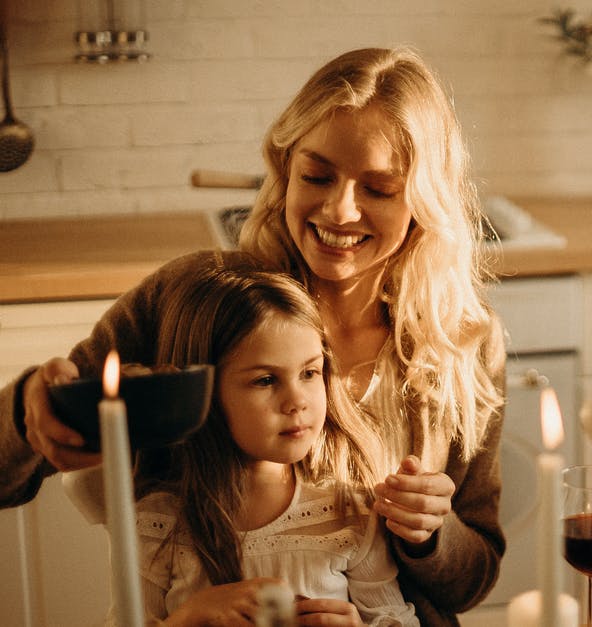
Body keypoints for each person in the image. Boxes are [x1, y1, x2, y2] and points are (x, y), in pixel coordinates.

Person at [0, 47, 506, 627]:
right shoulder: (198, 301)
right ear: (285, 167)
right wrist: (27, 413)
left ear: (424, 199)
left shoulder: (462, 344)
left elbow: (472, 582)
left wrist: (431, 535)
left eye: (380, 189)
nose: (341, 210)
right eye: (317, 175)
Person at [65, 267, 420, 626]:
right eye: (265, 380)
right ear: (206, 392)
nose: (297, 401)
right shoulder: (160, 524)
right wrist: (191, 617)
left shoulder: (349, 514)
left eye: (309, 373)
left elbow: (398, 619)